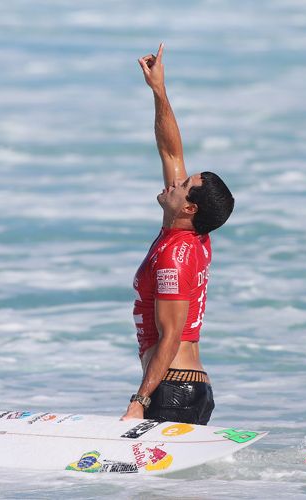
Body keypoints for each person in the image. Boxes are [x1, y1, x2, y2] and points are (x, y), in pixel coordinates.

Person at [121, 43, 235, 425]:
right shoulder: (189, 234)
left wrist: (140, 399)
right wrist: (158, 90)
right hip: (188, 389)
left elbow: (170, 337)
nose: (174, 182)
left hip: (171, 389)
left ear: (189, 208)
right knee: (173, 489)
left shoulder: (175, 255)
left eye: (182, 185)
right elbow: (171, 151)